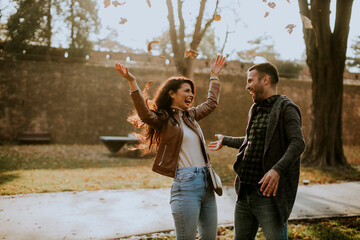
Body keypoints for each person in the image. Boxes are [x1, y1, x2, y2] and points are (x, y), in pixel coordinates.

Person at [115, 55, 226, 240]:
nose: (191, 95)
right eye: (186, 90)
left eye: (192, 91)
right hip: (186, 183)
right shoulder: (164, 119)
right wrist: (132, 83)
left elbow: (212, 103)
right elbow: (145, 115)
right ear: (172, 93)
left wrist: (214, 76)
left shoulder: (191, 116)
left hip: (207, 182)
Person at [208, 62, 305, 240]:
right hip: (244, 194)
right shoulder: (255, 108)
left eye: (250, 80)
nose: (247, 86)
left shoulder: (286, 108)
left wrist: (277, 170)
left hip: (268, 196)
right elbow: (251, 141)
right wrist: (226, 140)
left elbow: (298, 143)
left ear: (266, 80)